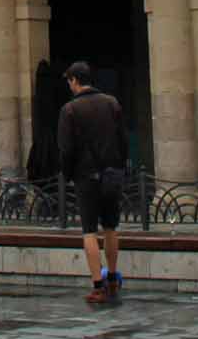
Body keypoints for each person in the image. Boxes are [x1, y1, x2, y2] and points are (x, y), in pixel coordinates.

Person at [56, 61, 125, 304]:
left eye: (69, 81)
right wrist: (119, 167)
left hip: (86, 177)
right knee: (110, 228)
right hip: (111, 174)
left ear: (75, 80)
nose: (69, 85)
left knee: (89, 232)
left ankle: (98, 285)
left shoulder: (70, 110)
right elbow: (122, 140)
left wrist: (67, 173)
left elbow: (66, 149)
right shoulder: (112, 103)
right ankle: (114, 278)